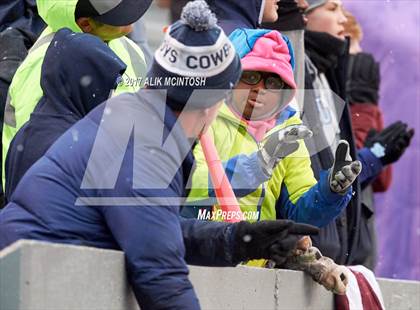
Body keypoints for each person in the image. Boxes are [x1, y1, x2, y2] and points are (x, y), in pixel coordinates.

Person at [0, 2, 319, 308]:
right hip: (32, 284)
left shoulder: (138, 120)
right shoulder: (145, 145)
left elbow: (155, 230)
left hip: (42, 277)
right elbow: (161, 276)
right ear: (215, 99)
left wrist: (241, 239)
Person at [185, 28, 361, 269]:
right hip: (199, 262)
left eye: (273, 81)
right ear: (230, 78)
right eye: (250, 76)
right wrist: (256, 165)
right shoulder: (201, 117)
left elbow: (299, 215)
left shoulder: (289, 132)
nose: (260, 89)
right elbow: (189, 186)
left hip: (257, 276)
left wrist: (331, 190)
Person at [302, 0, 414, 267]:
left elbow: (378, 178)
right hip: (327, 245)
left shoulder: (328, 78)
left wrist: (378, 153)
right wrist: (363, 109)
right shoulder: (316, 79)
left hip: (349, 245)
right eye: (332, 9)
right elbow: (339, 166)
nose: (357, 54)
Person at [2, 0, 153, 191]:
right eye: (121, 17)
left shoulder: (129, 50)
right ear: (86, 25)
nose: (134, 20)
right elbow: (36, 150)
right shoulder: (44, 65)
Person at [5, 28, 127, 200]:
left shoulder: (31, 129)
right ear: (84, 84)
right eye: (108, 86)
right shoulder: (72, 144)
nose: (111, 95)